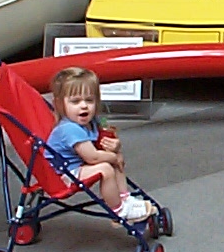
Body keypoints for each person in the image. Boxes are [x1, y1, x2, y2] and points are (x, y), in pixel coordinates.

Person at [45, 66, 153, 222]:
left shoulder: (94, 121)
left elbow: (106, 132)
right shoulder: (69, 129)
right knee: (105, 168)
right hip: (62, 174)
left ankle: (125, 198)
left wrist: (115, 145)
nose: (84, 106)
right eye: (75, 101)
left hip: (76, 166)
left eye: (89, 100)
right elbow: (93, 157)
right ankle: (119, 210)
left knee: (114, 156)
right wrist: (113, 157)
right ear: (61, 105)